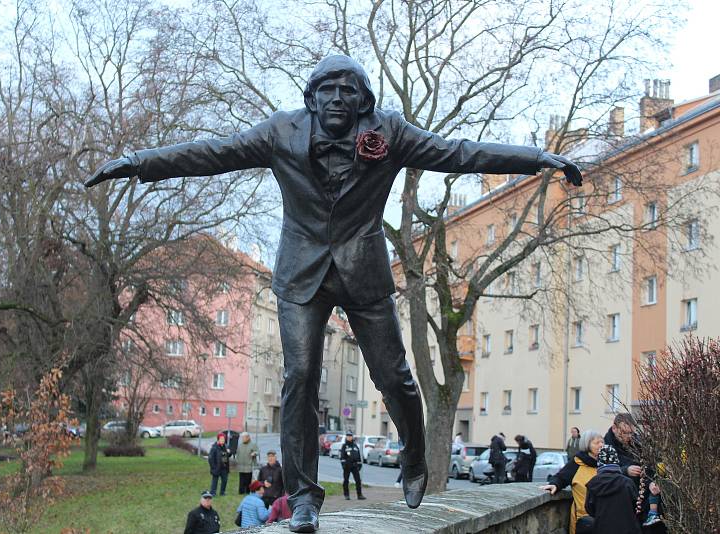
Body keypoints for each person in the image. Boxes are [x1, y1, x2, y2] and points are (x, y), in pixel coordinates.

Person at [85, 54, 582, 533]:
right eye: (328, 89)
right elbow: (213, 154)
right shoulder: (282, 131)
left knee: (396, 377)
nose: (338, 98)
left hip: (362, 271)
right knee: (299, 375)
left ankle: (412, 454)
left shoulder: (388, 132)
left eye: (349, 90)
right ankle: (303, 497)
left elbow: (460, 153)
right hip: (301, 273)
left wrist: (538, 159)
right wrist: (136, 163)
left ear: (363, 99)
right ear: (313, 97)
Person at [540, 429, 603, 534]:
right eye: (597, 443)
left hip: (604, 518)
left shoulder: (606, 464)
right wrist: (554, 484)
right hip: (583, 521)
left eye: (602, 442)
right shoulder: (577, 463)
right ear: (587, 445)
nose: (601, 445)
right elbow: (561, 477)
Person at [585, 445, 641, 534]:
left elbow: (589, 509)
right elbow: (636, 506)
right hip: (627, 529)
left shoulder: (593, 483)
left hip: (602, 529)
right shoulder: (627, 483)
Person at [339, 431, 365, 500]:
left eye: (350, 436)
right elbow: (342, 457)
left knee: (358, 481)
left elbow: (359, 456)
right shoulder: (344, 446)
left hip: (355, 466)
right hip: (347, 466)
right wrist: (343, 465)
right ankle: (346, 495)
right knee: (346, 481)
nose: (349, 437)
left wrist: (359, 464)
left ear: (352, 437)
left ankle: (359, 495)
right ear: (346, 437)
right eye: (348, 436)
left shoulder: (355, 446)